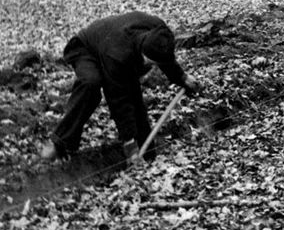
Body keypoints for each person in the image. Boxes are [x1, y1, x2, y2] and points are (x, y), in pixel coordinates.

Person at [41, 11, 201, 163]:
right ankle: (60, 141)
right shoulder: (118, 55)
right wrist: (128, 141)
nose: (149, 66)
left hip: (113, 44)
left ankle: (148, 155)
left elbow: (163, 56)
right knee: (91, 83)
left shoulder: (159, 33)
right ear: (142, 51)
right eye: (148, 61)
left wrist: (182, 77)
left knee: (134, 96)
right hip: (87, 48)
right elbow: (118, 99)